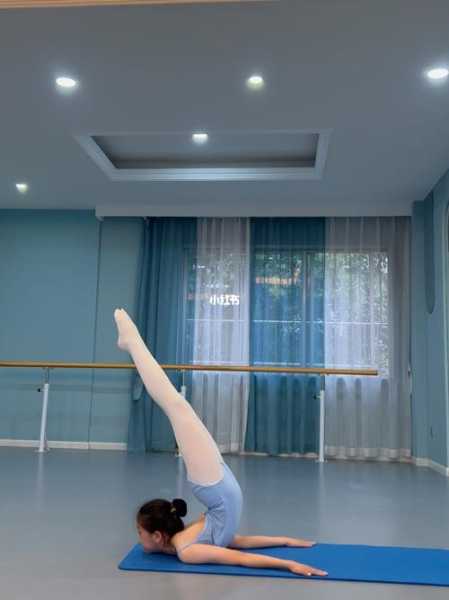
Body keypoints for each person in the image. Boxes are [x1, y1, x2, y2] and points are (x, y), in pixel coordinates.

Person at [114, 308, 327, 578]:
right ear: (158, 536)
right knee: (175, 405)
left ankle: (133, 342)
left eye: (139, 531)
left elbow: (237, 550)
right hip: (217, 483)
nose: (138, 536)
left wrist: (286, 550)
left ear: (158, 536)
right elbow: (239, 549)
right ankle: (132, 342)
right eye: (139, 531)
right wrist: (286, 550)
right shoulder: (189, 548)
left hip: (216, 485)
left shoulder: (189, 543)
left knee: (175, 405)